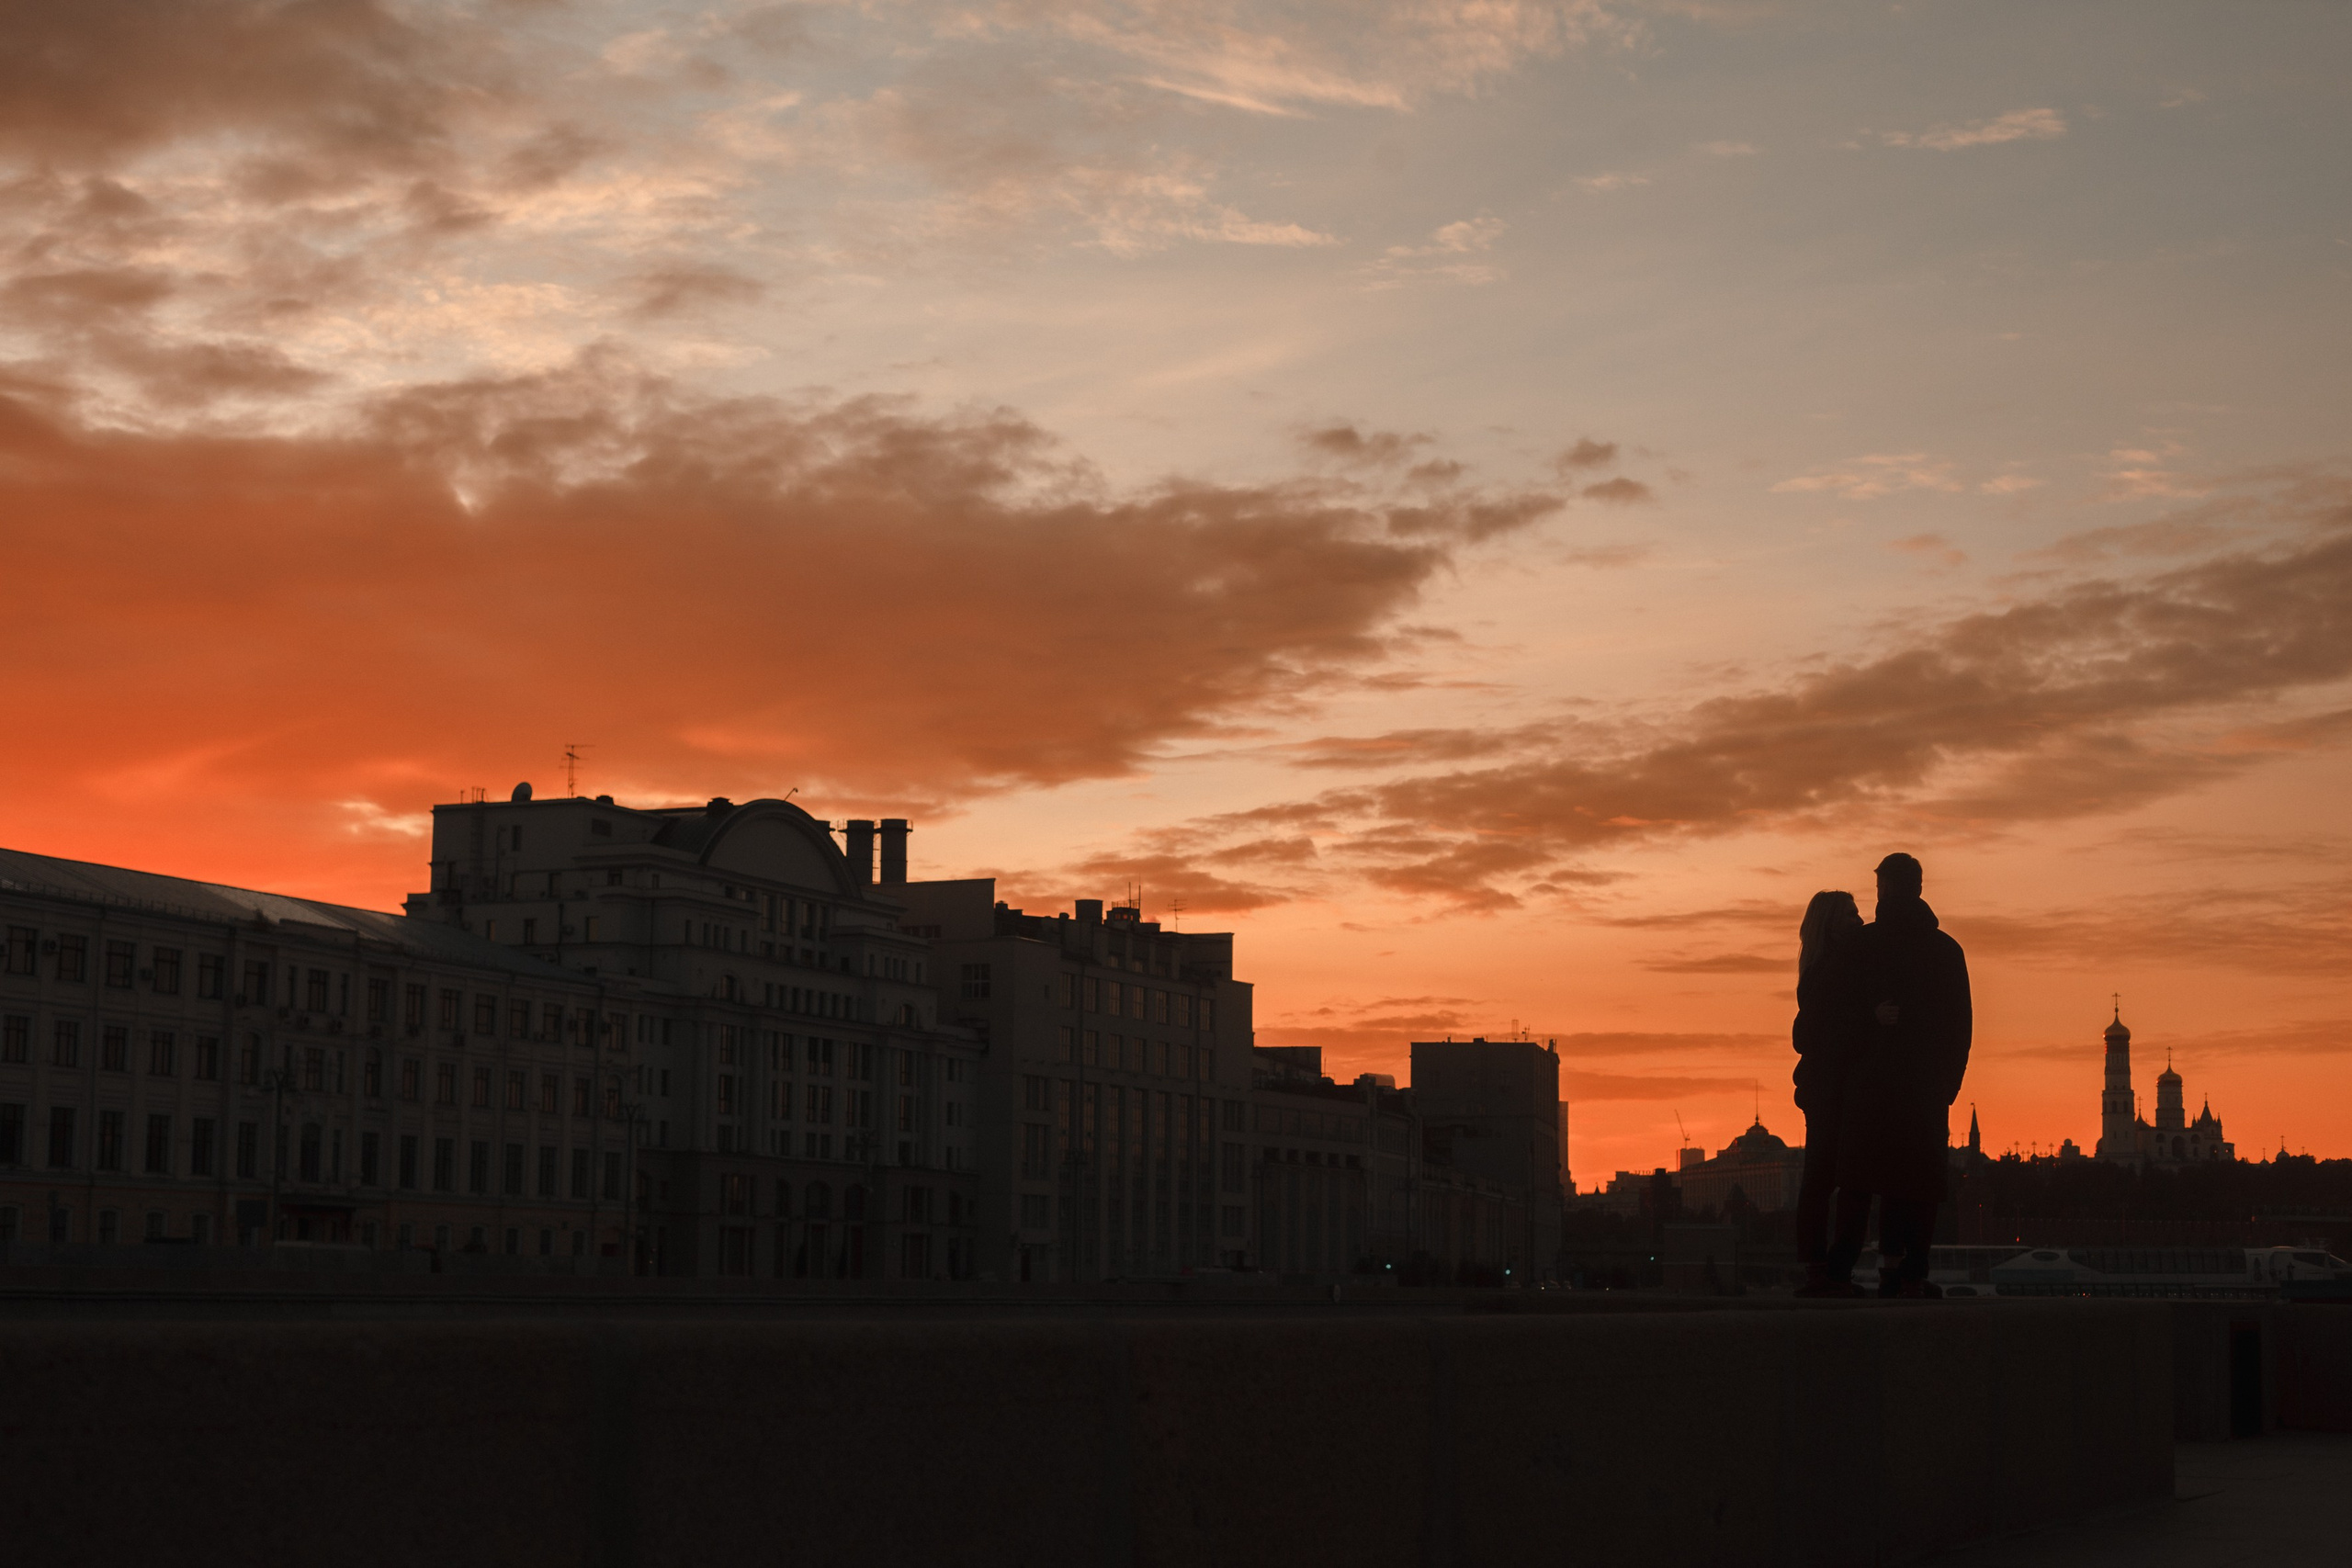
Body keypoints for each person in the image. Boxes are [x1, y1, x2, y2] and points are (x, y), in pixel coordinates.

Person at [1835, 852, 1973, 1298]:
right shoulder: (1947, 951)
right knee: (1921, 1181)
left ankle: (1848, 1271)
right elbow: (1961, 1025)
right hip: (1927, 1089)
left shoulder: (1864, 945)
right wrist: (1948, 1085)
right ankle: (1911, 1271)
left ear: (1885, 888)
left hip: (1870, 1086)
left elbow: (1839, 1011)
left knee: (1863, 1180)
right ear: (1918, 886)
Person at [1792, 890, 1867, 1297]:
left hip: (1823, 1090)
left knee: (1821, 1181)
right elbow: (1827, 1031)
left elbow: (1807, 1033)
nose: (1859, 919)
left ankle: (1820, 1268)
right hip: (1837, 1090)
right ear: (1832, 924)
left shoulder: (1818, 969)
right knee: (1840, 1180)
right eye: (1851, 914)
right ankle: (1831, 1270)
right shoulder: (1839, 968)